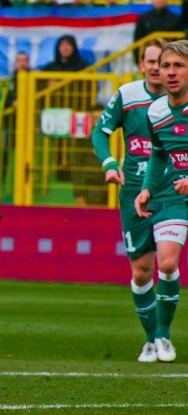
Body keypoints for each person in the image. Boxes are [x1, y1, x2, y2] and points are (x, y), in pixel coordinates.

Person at [92, 38, 182, 362]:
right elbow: (99, 132)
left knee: (168, 262)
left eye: (166, 62)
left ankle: (164, 336)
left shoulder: (179, 102)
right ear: (142, 64)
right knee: (142, 271)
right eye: (153, 61)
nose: (158, 68)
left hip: (172, 190)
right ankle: (150, 338)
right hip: (134, 191)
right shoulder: (127, 96)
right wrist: (109, 164)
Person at [133, 39, 188, 363]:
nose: (169, 72)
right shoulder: (155, 111)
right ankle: (162, 336)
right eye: (166, 65)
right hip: (174, 197)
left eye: (178, 66)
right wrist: (147, 189)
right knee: (166, 264)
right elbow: (157, 154)